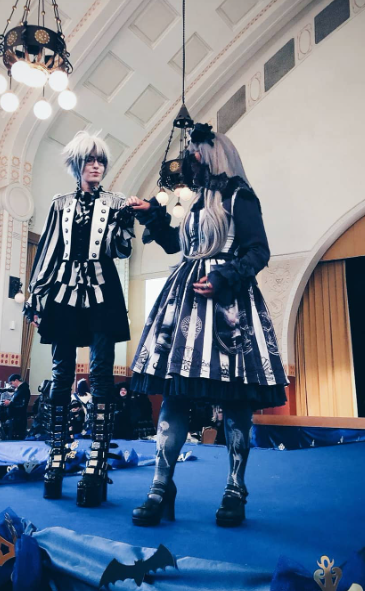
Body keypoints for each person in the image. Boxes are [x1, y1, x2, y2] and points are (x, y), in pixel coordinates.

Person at [127, 123, 288, 527]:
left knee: (235, 399)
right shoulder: (197, 202)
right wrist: (153, 215)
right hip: (185, 301)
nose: (190, 160)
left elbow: (258, 251)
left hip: (228, 304)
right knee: (175, 394)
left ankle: (235, 488)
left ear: (214, 155)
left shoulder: (240, 196)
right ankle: (160, 486)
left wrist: (224, 277)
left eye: (196, 152)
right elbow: (177, 246)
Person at [23, 131, 135, 506]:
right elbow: (49, 251)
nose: (96, 166)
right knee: (61, 374)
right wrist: (36, 296)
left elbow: (120, 250)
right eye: (90, 160)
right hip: (64, 292)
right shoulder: (60, 204)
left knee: (101, 373)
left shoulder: (115, 202)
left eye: (101, 160)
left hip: (104, 292)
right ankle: (57, 454)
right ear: (77, 165)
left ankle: (97, 459)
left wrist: (124, 224)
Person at [4, 375, 30, 440]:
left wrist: (10, 403)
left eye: (11, 383)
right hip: (15, 418)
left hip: (19, 418)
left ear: (16, 380)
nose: (11, 385)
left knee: (16, 438)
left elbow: (22, 405)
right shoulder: (19, 390)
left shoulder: (24, 390)